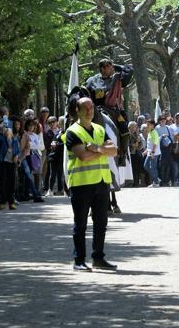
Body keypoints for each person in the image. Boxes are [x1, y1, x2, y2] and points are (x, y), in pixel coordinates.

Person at [64, 96, 118, 271]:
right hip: (81, 184)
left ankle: (98, 258)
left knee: (101, 223)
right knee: (80, 224)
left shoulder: (99, 129)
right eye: (85, 108)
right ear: (77, 111)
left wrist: (95, 148)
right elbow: (83, 156)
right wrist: (102, 149)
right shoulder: (72, 132)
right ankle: (79, 260)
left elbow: (114, 150)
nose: (90, 111)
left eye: (92, 107)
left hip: (102, 182)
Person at [85, 59, 133, 165]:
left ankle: (122, 155)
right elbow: (86, 94)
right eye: (109, 66)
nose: (111, 68)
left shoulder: (116, 79)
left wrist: (116, 66)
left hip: (113, 111)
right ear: (102, 68)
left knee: (125, 131)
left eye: (112, 66)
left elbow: (130, 70)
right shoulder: (91, 80)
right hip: (95, 109)